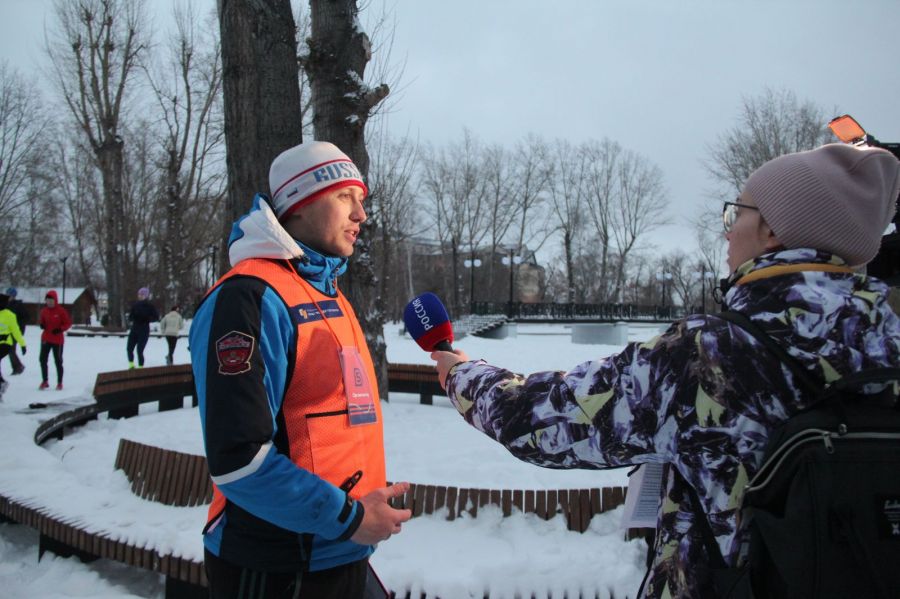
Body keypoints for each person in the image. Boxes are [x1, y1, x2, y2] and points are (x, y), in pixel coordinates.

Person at [430, 143, 900, 598]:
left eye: (738, 213)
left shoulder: (711, 352)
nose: (728, 231)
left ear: (773, 231)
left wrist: (463, 375)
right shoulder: (890, 339)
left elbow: (545, 419)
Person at [190, 141, 411, 599]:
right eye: (344, 197)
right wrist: (350, 517)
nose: (361, 216)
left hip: (341, 553)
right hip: (276, 565)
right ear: (299, 204)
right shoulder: (249, 298)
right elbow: (238, 460)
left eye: (362, 200)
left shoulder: (328, 294)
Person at [38, 290, 71, 391]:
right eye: (47, 300)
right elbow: (41, 321)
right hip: (46, 338)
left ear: (55, 300)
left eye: (51, 300)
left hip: (57, 340)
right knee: (42, 359)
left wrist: (60, 329)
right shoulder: (44, 311)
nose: (49, 302)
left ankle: (59, 382)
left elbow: (68, 323)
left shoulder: (61, 311)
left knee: (58, 361)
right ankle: (45, 381)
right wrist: (42, 324)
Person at [0, 292, 27, 398]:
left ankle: (2, 383)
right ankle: (1, 384)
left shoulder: (9, 315)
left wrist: (22, 344)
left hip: (6, 344)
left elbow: (15, 331)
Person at [126, 287, 159, 368]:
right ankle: (131, 365)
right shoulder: (135, 305)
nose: (140, 296)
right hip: (134, 329)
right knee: (129, 348)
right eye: (139, 294)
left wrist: (147, 319)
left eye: (142, 294)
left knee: (139, 350)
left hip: (144, 330)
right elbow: (130, 316)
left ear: (146, 296)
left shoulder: (150, 306)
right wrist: (132, 318)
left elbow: (156, 317)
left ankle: (141, 367)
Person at [4, 287, 28, 374]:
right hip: (6, 331)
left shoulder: (18, 305)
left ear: (14, 296)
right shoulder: (5, 305)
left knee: (10, 350)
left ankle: (18, 367)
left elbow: (25, 318)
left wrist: (19, 327)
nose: (8, 296)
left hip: (15, 331)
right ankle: (18, 366)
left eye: (10, 295)